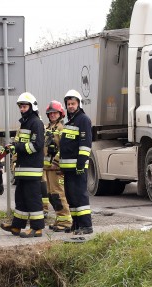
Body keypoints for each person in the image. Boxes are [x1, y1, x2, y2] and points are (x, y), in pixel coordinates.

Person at [0, 92, 45, 238]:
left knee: (33, 199)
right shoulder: (25, 123)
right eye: (21, 106)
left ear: (32, 107)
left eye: (25, 106)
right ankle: (17, 226)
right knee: (21, 198)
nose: (22, 109)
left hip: (32, 169)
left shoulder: (36, 123)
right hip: (22, 169)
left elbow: (36, 145)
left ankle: (37, 228)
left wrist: (17, 148)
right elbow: (22, 143)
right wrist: (12, 146)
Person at [59, 89, 93, 235]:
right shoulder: (69, 122)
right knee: (71, 196)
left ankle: (86, 226)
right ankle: (76, 224)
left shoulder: (83, 120)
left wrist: (81, 163)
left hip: (77, 167)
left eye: (73, 103)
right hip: (68, 168)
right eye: (68, 104)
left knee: (80, 196)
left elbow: (85, 144)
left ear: (78, 104)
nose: (71, 106)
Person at [43, 100, 72, 232]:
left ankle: (66, 220)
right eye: (50, 113)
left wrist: (57, 161)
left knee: (58, 194)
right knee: (51, 195)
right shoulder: (47, 128)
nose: (52, 115)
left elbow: (65, 147)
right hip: (47, 167)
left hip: (57, 167)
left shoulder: (62, 128)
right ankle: (59, 219)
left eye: (55, 113)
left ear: (60, 114)